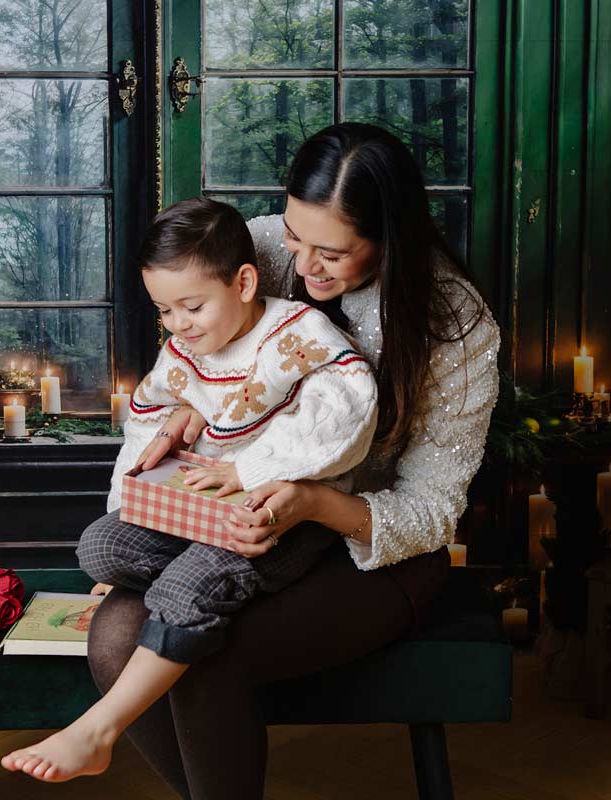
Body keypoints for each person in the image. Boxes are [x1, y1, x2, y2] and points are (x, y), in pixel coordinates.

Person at [81, 122, 502, 800]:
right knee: (115, 633)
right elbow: (197, 354)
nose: (303, 265)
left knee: (204, 654)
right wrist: (191, 413)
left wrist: (308, 502)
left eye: (332, 252)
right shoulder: (264, 247)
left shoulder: (456, 324)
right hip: (237, 528)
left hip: (366, 552)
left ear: (391, 236)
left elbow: (431, 513)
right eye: (296, 235)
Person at [1, 196, 378, 782]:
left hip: (279, 517)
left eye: (192, 307)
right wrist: (136, 490)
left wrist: (248, 471)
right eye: (164, 311)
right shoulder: (184, 349)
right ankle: (207, 578)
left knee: (189, 583)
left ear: (245, 282)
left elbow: (349, 413)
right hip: (198, 510)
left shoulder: (298, 333)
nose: (178, 325)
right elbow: (149, 421)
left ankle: (97, 730)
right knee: (101, 546)